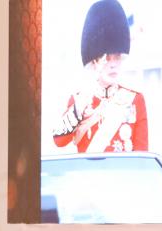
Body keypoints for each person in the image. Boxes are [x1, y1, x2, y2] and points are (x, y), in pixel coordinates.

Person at [52, 0, 148, 154]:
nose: (113, 64)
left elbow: (142, 158)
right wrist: (79, 108)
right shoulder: (79, 99)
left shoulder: (135, 100)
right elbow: (59, 141)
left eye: (117, 57)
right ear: (94, 62)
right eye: (107, 58)